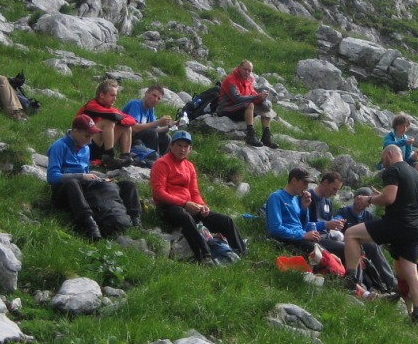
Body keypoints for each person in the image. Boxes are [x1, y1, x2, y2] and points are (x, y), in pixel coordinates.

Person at [344, 145, 418, 322]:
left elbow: (389, 198)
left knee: (351, 234)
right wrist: (379, 195)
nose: (382, 163)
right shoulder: (414, 173)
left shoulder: (392, 170)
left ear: (390, 154)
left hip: (396, 224)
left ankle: (350, 279)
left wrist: (368, 199)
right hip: (414, 228)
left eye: (383, 159)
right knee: (411, 271)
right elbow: (401, 198)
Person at [150, 130, 246, 263]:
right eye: (179, 145)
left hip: (189, 206)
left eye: (186, 146)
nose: (182, 149)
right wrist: (184, 203)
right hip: (168, 207)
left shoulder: (189, 166)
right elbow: (158, 193)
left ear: (190, 149)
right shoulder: (161, 163)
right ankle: (205, 256)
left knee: (226, 220)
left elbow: (194, 192)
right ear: (171, 146)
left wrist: (202, 206)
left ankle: (241, 254)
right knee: (185, 217)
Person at [46, 114, 141, 240]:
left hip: (83, 187)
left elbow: (86, 172)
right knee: (73, 183)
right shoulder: (59, 146)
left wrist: (99, 178)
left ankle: (135, 221)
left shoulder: (86, 148)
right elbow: (52, 177)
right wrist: (81, 176)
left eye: (92, 136)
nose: (90, 140)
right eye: (87, 136)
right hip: (65, 191)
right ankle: (89, 224)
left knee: (128, 185)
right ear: (75, 131)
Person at [336, 186, 398, 293]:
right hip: (347, 245)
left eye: (362, 200)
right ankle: (391, 282)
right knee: (371, 247)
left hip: (364, 247)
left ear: (368, 203)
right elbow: (336, 221)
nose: (359, 202)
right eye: (357, 198)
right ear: (354, 198)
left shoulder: (369, 217)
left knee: (373, 247)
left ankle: (388, 283)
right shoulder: (344, 212)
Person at [216, 60, 278, 149]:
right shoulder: (230, 80)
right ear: (239, 68)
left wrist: (261, 98)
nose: (247, 72)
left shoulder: (249, 80)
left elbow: (252, 93)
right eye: (245, 69)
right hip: (227, 108)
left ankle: (266, 136)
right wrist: (256, 97)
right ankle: (250, 134)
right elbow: (237, 98)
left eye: (249, 70)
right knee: (250, 105)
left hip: (241, 108)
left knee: (266, 105)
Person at [265, 168, 325, 256]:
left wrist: (304, 208)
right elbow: (275, 228)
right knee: (325, 256)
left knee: (338, 250)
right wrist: (302, 235)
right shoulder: (276, 197)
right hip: (289, 241)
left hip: (301, 238)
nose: (306, 187)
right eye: (304, 183)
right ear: (294, 180)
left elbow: (302, 226)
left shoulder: (295, 199)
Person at [78, 79, 136, 168]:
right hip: (84, 144)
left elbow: (132, 120)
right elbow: (114, 116)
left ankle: (125, 157)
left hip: (97, 144)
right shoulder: (92, 105)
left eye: (115, 96)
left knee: (126, 127)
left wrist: (120, 120)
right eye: (112, 95)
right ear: (101, 95)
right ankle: (109, 157)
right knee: (108, 122)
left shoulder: (108, 108)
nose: (115, 99)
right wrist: (119, 119)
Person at [122, 85, 172, 160]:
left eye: (158, 98)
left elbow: (156, 129)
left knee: (166, 138)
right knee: (151, 133)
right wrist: (158, 122)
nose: (155, 100)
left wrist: (170, 126)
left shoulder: (150, 110)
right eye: (154, 95)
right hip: (127, 138)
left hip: (139, 138)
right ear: (146, 93)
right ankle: (154, 160)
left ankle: (162, 160)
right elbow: (134, 128)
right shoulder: (136, 104)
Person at [305, 171, 348, 260]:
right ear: (325, 182)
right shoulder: (307, 198)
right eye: (334, 189)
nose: (335, 194)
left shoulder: (328, 201)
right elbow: (302, 225)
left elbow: (329, 222)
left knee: (355, 246)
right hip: (314, 238)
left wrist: (335, 224)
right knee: (348, 249)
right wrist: (325, 224)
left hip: (327, 237)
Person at [382, 114, 418, 185]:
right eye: (403, 126)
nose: (405, 128)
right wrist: (404, 142)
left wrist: (413, 158)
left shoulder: (407, 139)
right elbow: (387, 145)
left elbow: (407, 159)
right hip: (392, 166)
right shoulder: (390, 136)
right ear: (397, 125)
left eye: (406, 126)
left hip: (404, 166)